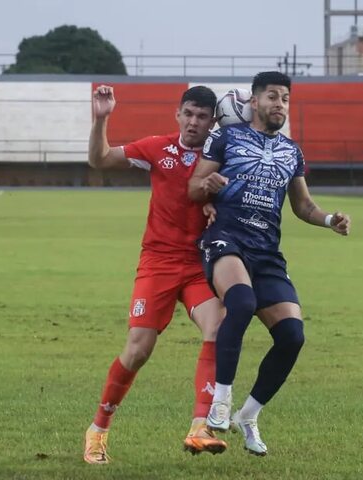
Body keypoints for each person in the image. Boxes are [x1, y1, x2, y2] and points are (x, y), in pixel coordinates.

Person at [188, 71, 351, 456]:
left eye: (285, 99)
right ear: (255, 102)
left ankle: (248, 415)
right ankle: (221, 402)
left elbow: (303, 206)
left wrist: (330, 220)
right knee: (241, 302)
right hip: (226, 238)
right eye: (273, 97)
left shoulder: (293, 151)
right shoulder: (226, 136)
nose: (280, 104)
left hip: (266, 252)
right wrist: (207, 188)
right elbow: (194, 185)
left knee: (293, 336)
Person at [83, 84, 227, 464]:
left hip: (200, 265)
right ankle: (98, 429)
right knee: (138, 349)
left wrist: (217, 204)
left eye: (202, 116)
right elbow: (99, 160)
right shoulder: (156, 148)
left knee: (219, 326)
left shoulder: (223, 155)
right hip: (158, 263)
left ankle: (200, 426)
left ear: (212, 121)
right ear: (178, 114)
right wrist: (101, 119)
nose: (194, 122)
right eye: (189, 114)